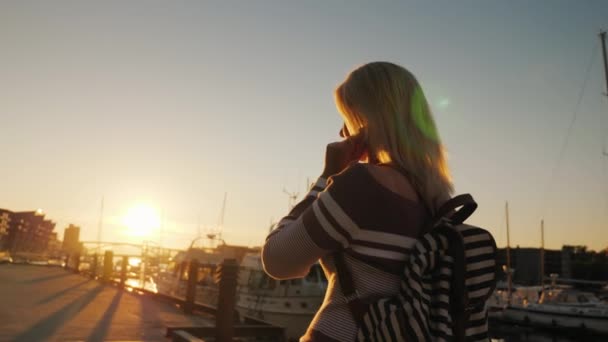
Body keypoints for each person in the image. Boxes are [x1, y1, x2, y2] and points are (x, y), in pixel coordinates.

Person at [262, 61, 454, 341]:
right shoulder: (438, 200)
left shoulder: (362, 185)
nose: (342, 132)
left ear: (368, 121)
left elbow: (278, 261)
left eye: (347, 119)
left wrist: (326, 177)